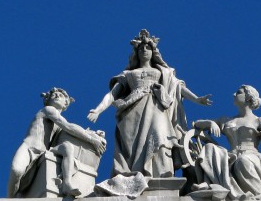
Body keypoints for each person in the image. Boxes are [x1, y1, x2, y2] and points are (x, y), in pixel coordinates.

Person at [87, 29, 212, 177]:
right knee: (132, 146)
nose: (144, 50)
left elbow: (178, 87)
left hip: (156, 106)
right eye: (141, 48)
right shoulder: (127, 74)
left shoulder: (164, 72)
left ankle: (162, 175)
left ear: (154, 52)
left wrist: (197, 99)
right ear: (136, 53)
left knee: (160, 136)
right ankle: (133, 174)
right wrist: (98, 110)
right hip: (132, 109)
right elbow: (112, 95)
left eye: (148, 48)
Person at [190, 85, 261, 198]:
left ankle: (258, 194)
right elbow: (197, 124)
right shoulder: (226, 120)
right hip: (231, 155)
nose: (234, 94)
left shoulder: (259, 121)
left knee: (243, 161)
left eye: (238, 92)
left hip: (252, 155)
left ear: (248, 98)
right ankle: (210, 183)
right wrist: (210, 123)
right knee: (209, 148)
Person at [9, 88, 106, 197]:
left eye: (60, 95)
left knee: (67, 147)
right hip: (29, 147)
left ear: (66, 103)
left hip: (42, 152)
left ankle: (67, 183)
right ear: (47, 100)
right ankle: (9, 199)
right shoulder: (47, 110)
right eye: (53, 94)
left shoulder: (58, 125)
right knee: (16, 171)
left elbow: (73, 131)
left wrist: (94, 134)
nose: (56, 95)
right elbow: (68, 126)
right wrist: (92, 139)